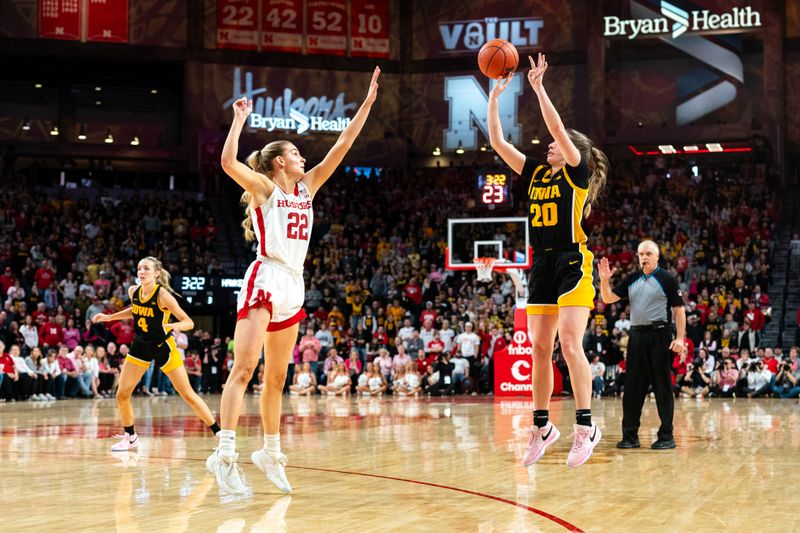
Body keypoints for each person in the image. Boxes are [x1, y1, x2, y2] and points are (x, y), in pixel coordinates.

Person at [207, 67, 381, 496]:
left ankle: (269, 451)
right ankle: (224, 454)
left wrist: (369, 103)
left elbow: (343, 144)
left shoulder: (309, 187)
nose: (305, 158)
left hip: (294, 283)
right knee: (244, 368)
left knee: (278, 379)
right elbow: (228, 162)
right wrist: (239, 121)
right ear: (280, 160)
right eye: (297, 154)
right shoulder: (267, 189)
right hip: (265, 276)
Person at [488, 53, 609, 467]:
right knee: (540, 349)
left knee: (571, 344)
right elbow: (499, 144)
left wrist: (539, 88)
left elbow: (557, 126)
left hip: (574, 262)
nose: (550, 144)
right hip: (542, 263)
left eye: (557, 143)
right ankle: (542, 426)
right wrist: (495, 97)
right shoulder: (538, 173)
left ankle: (585, 426)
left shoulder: (577, 171)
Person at [92, 257, 221, 452]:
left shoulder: (163, 295)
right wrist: (110, 317)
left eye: (146, 268)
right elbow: (134, 311)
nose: (141, 271)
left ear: (156, 273)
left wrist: (173, 326)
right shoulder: (133, 291)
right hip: (140, 346)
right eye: (139, 268)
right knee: (122, 394)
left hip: (163, 346)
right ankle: (130, 436)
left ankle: (219, 434)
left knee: (187, 394)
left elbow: (189, 322)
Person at [598, 240, 685, 450]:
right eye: (640, 254)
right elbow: (608, 298)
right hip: (636, 336)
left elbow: (679, 310)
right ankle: (630, 436)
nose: (643, 257)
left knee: (662, 386)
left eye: (647, 254)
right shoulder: (631, 279)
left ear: (656, 256)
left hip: (660, 335)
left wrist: (680, 338)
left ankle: (666, 436)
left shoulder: (668, 279)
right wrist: (603, 280)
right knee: (632, 388)